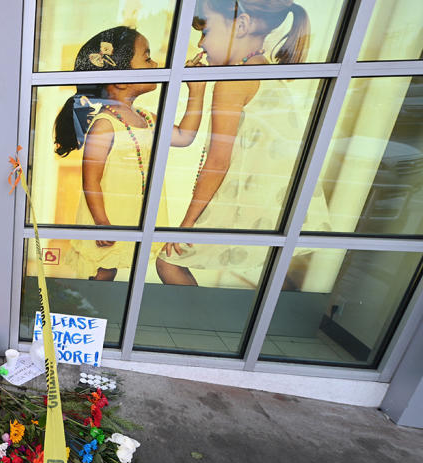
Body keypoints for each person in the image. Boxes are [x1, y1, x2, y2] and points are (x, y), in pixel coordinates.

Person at [157, 0, 331, 286]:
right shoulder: (265, 71)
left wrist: (185, 226)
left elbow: (217, 161)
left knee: (168, 263)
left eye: (206, 31)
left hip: (249, 205)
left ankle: (201, 325)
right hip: (268, 205)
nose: (201, 44)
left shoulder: (233, 82)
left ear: (241, 26)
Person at [54, 27, 206, 281]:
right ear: (122, 80)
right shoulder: (105, 124)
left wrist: (197, 92)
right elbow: (90, 180)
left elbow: (185, 136)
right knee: (102, 271)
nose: (156, 63)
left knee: (110, 269)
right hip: (109, 218)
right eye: (147, 58)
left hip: (132, 215)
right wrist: (101, 222)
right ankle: (87, 314)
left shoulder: (147, 119)